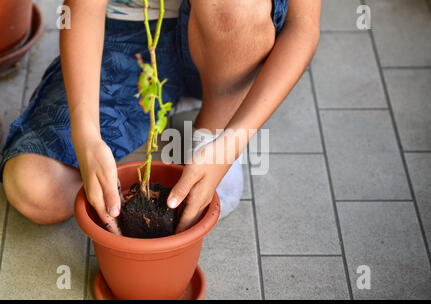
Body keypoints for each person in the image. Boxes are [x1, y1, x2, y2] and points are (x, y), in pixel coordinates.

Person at [0, 0, 321, 235]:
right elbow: (81, 9)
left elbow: (303, 25)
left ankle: (214, 125)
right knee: (35, 187)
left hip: (231, 32)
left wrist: (231, 143)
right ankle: (168, 99)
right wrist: (86, 134)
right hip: (128, 39)